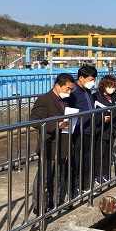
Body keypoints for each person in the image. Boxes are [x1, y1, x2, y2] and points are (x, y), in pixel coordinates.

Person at [30, 73, 75, 216]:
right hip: (49, 144)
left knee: (58, 175)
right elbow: (35, 121)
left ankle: (54, 201)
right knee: (44, 176)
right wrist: (57, 125)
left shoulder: (67, 100)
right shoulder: (44, 100)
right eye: (67, 89)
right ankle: (38, 205)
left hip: (63, 143)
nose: (69, 92)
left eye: (71, 89)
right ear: (57, 86)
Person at [68, 64, 98, 194]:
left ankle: (85, 184)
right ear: (81, 78)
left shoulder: (87, 90)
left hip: (89, 128)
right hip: (79, 130)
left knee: (87, 159)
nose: (93, 82)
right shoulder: (73, 91)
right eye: (91, 79)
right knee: (77, 160)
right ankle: (75, 187)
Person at [92, 74, 116, 186]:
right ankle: (97, 175)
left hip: (111, 130)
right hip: (100, 130)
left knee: (108, 153)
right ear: (103, 85)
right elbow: (93, 113)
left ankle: (105, 173)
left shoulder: (114, 97)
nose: (112, 88)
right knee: (99, 153)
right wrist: (102, 118)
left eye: (114, 86)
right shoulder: (96, 97)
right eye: (110, 85)